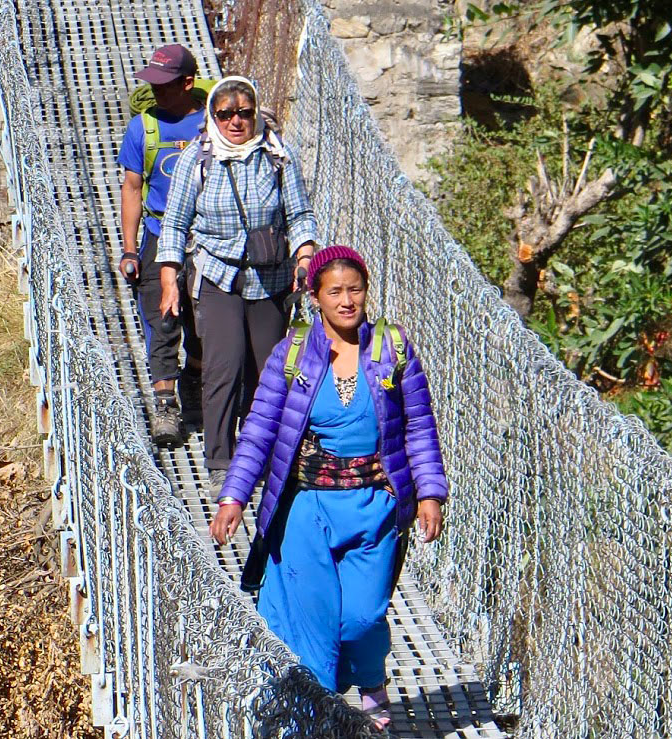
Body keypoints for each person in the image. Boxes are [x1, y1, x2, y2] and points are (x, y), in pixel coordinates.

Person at [208, 245, 448, 730]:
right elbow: (259, 429)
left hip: (374, 506)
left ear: (366, 292)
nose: (346, 300)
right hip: (306, 506)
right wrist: (234, 495)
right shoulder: (293, 352)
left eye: (354, 289)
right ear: (315, 296)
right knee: (313, 629)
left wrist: (429, 493)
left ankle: (369, 679)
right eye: (334, 291)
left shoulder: (391, 348)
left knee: (361, 618)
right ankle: (318, 721)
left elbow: (419, 426)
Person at [157, 75, 318, 488]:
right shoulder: (197, 160)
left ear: (254, 113)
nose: (235, 121)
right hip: (218, 273)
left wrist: (305, 255)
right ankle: (220, 461)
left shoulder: (278, 156)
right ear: (212, 115)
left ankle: (264, 452)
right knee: (223, 366)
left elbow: (299, 217)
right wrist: (170, 279)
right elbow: (174, 224)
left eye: (244, 112)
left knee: (269, 371)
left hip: (271, 275)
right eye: (225, 113)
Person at [117, 44, 208, 446]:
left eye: (165, 84)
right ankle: (166, 407)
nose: (156, 92)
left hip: (205, 240)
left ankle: (194, 380)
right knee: (162, 321)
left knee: (204, 324)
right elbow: (132, 188)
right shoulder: (143, 127)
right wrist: (130, 248)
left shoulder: (214, 123)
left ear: (187, 82)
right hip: (158, 237)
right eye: (151, 83)